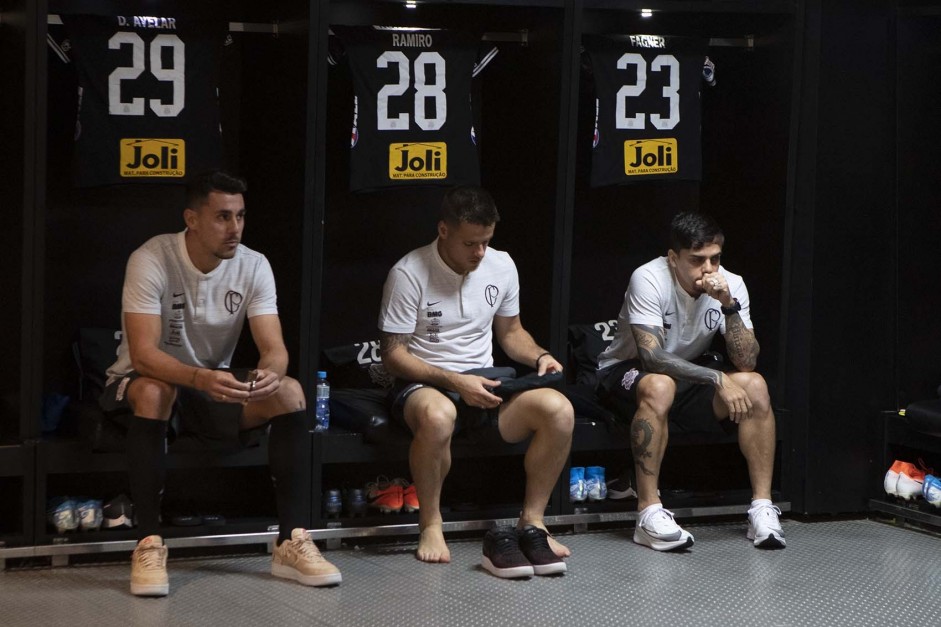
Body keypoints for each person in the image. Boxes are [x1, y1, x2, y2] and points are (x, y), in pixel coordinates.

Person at [100, 171, 341, 596]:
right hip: (149, 381)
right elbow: (143, 354)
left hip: (212, 384)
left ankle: (291, 540)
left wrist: (271, 370)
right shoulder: (152, 257)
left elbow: (275, 348)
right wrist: (197, 377)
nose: (235, 229)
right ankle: (149, 544)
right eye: (223, 217)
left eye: (241, 216)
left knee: (290, 391)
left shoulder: (254, 265)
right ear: (192, 219)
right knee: (156, 390)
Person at [378, 185, 575, 578]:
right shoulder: (408, 272)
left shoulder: (501, 265)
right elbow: (393, 356)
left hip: (484, 383)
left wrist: (539, 355)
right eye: (471, 243)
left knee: (560, 410)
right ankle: (431, 525)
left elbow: (512, 333)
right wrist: (454, 379)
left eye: (486, 242)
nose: (480, 253)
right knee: (438, 415)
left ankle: (533, 523)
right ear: (444, 231)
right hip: (426, 382)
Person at [596, 212, 785, 551]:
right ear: (674, 258)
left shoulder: (731, 283)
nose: (708, 269)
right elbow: (651, 357)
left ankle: (761, 509)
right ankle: (648, 513)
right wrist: (715, 378)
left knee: (754, 385)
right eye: (697, 260)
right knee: (659, 384)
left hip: (687, 373)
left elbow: (747, 361)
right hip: (625, 372)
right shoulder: (649, 277)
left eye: (715, 259)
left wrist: (729, 306)